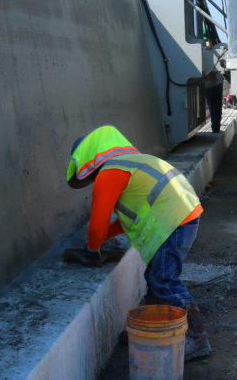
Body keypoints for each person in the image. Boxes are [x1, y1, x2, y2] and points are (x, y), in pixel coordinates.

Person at [66, 125, 212, 360]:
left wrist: (93, 248)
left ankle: (198, 337)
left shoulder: (109, 173)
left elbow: (96, 225)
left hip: (173, 221)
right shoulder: (129, 162)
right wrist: (105, 236)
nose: (92, 181)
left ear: (88, 165)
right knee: (155, 278)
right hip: (181, 214)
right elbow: (129, 218)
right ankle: (146, 330)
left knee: (164, 279)